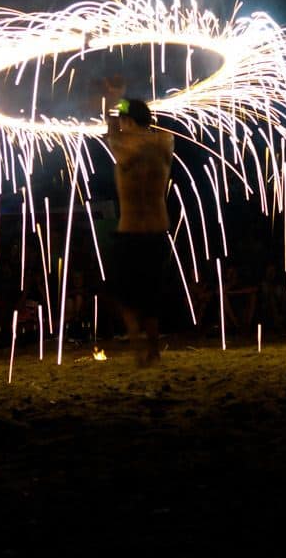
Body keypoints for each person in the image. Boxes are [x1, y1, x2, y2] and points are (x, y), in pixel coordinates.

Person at [104, 79, 174, 366]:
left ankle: (137, 349)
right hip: (158, 229)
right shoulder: (165, 140)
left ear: (129, 121)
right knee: (152, 295)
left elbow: (112, 130)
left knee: (123, 293)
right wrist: (127, 104)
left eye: (124, 119)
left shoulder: (123, 144)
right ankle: (154, 350)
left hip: (131, 231)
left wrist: (116, 99)